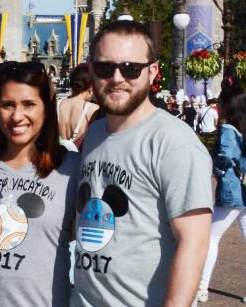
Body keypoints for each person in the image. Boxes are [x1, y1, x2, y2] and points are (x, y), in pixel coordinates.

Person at [72, 20, 212, 307]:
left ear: (153, 72)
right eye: (104, 68)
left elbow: (194, 243)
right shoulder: (95, 133)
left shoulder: (174, 142)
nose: (117, 77)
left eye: (130, 68)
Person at [0, 61, 78, 306]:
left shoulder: (71, 168)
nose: (17, 116)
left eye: (29, 104)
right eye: (7, 105)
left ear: (46, 109)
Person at [197, 86, 246, 303]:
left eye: (221, 103)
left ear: (228, 106)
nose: (218, 107)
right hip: (244, 191)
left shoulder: (228, 130)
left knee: (211, 237)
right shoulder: (243, 129)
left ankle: (201, 287)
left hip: (231, 190)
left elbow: (224, 156)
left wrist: (216, 170)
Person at [57, 64, 99, 151]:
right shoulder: (92, 109)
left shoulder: (57, 104)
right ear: (90, 89)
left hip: (55, 161)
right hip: (79, 162)